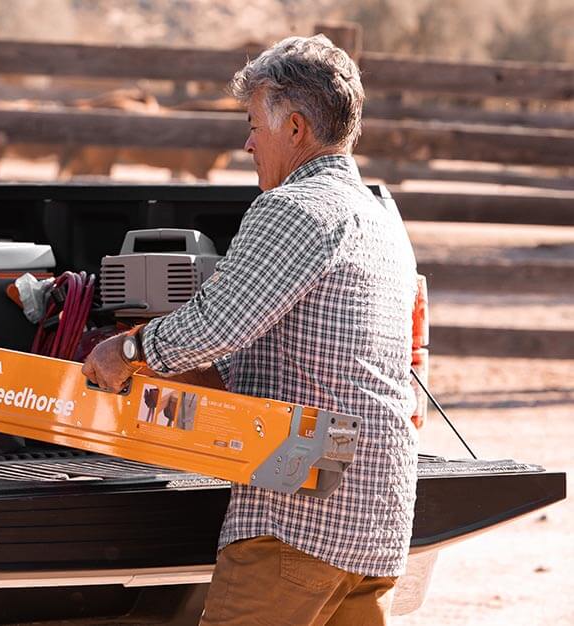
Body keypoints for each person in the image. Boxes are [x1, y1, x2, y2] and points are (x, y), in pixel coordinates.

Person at [82, 34, 418, 626]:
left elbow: (218, 324)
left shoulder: (294, 207)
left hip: (299, 518)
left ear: (295, 128)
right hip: (378, 514)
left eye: (254, 125)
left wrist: (130, 348)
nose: (247, 143)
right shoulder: (380, 218)